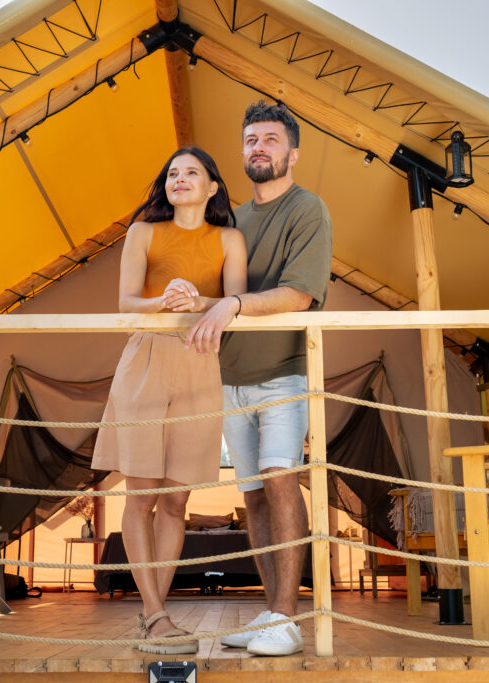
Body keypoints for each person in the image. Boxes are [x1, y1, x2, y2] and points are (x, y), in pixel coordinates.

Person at [186, 101, 333, 656]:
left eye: (271, 139)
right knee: (253, 498)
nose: (259, 148)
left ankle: (288, 620)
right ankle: (272, 612)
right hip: (229, 376)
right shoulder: (230, 220)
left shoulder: (309, 209)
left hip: (283, 374)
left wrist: (234, 304)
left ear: (292, 153)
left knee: (280, 481)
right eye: (251, 139)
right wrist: (192, 296)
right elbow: (213, 293)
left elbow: (299, 294)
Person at [92, 146, 246, 655]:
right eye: (173, 173)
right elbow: (125, 303)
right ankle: (156, 613)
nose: (179, 179)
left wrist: (197, 300)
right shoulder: (142, 232)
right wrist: (165, 300)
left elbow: (236, 302)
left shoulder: (230, 239)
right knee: (141, 495)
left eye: (191, 172)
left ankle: (154, 613)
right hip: (146, 357)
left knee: (178, 500)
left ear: (212, 187)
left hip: (201, 360)